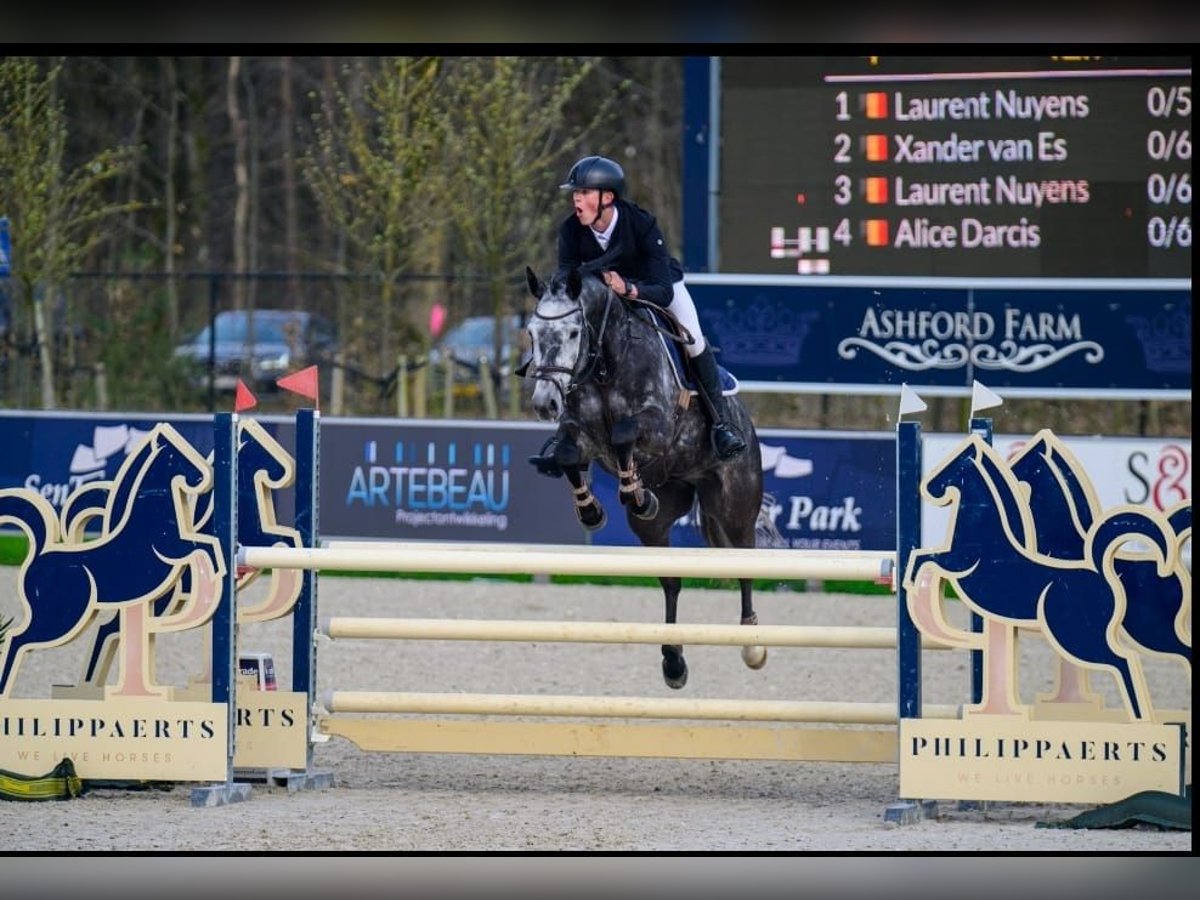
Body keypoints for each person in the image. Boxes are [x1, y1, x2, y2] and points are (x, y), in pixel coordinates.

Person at [529, 154, 746, 477]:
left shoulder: (641, 224)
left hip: (654, 289)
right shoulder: (571, 230)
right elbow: (566, 280)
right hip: (602, 302)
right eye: (575, 192)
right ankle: (567, 435)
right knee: (570, 341)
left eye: (585, 192)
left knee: (694, 340)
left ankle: (721, 426)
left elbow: (663, 290)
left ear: (608, 198)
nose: (576, 198)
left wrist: (629, 289)